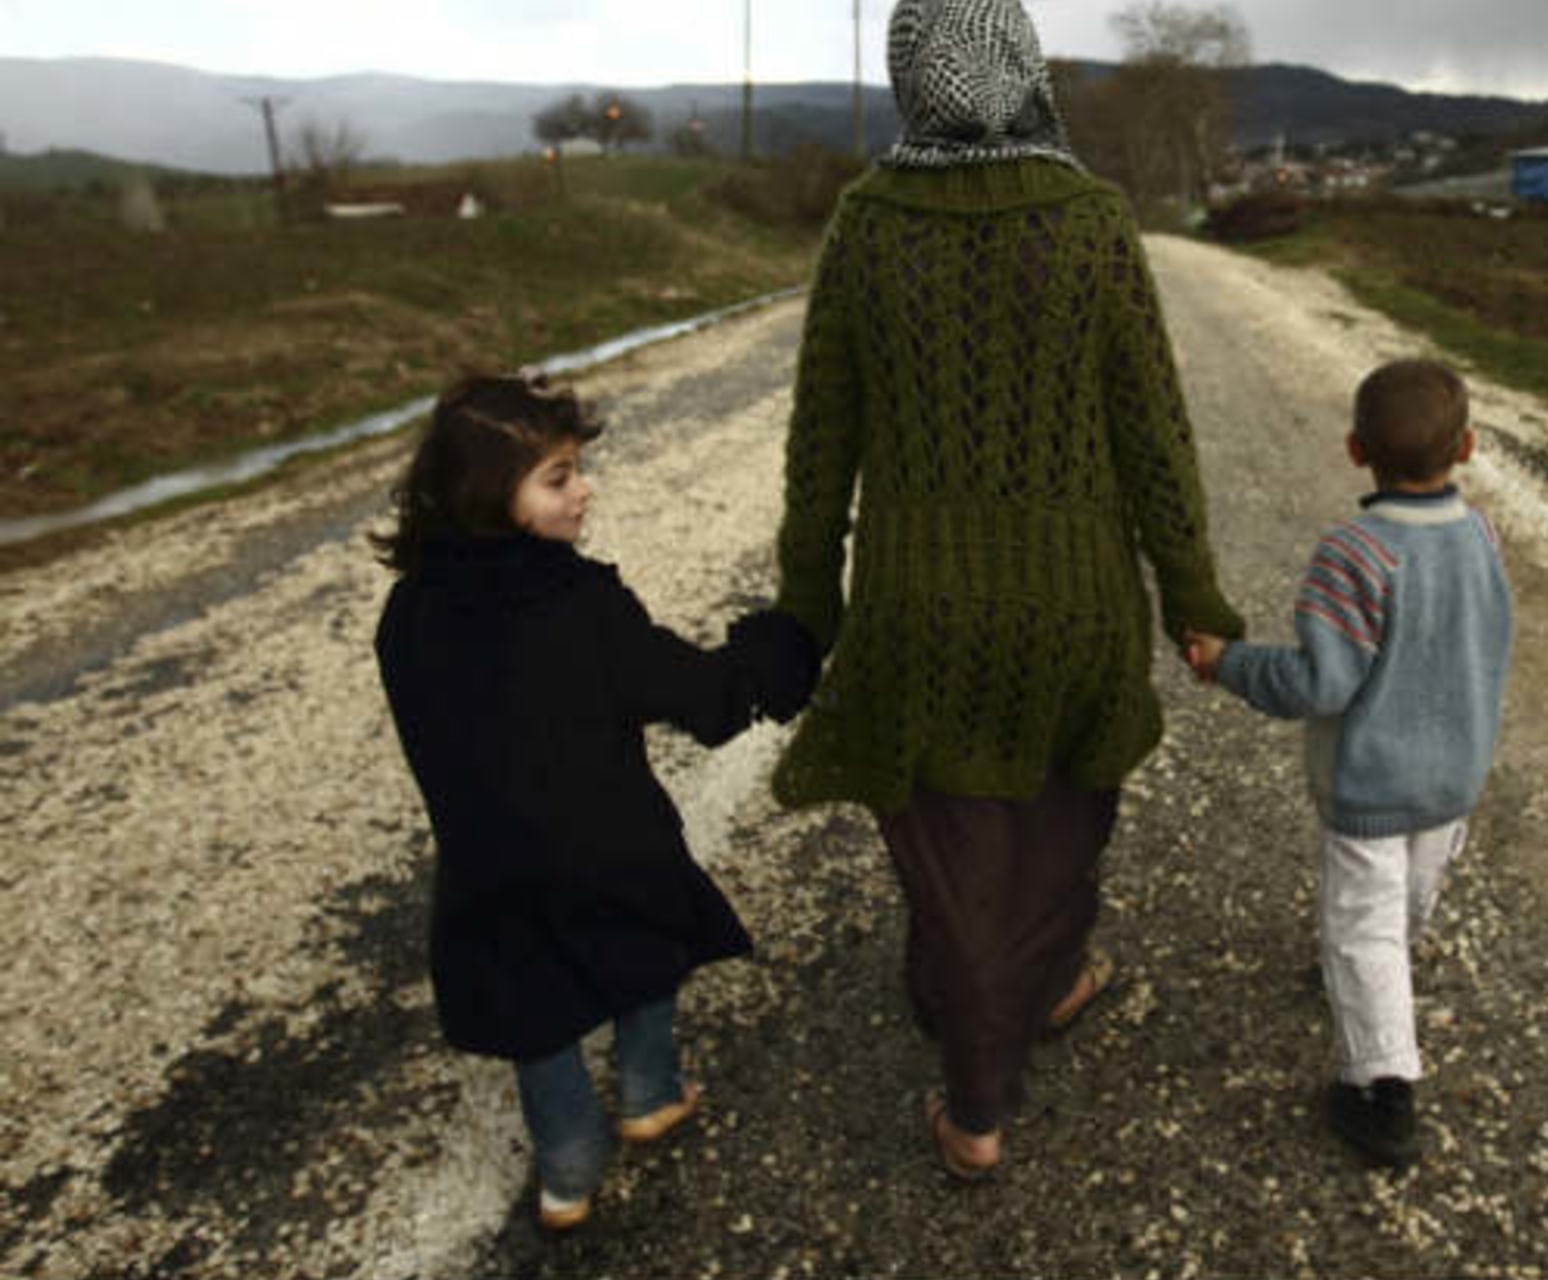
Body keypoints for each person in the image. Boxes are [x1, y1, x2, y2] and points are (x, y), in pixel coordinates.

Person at [771, 0, 1244, 1179]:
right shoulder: (1091, 221)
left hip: (914, 605)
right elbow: (1154, 434)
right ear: (1028, 74)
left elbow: (822, 439)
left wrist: (807, 602)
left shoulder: (867, 224)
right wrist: (1193, 592)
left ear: (909, 87)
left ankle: (981, 1051)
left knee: (947, 847)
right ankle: (990, 1069)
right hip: (1076, 599)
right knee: (1057, 822)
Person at [371, 373, 816, 1229]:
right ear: (488, 497)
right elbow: (700, 696)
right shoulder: (577, 601)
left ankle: (567, 1167)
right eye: (558, 476)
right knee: (641, 949)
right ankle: (649, 1093)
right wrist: (776, 648)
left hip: (487, 859)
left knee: (532, 1001)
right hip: (609, 840)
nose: (585, 490)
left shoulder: (408, 611)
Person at [1183, 359, 1512, 1169]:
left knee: (1362, 926)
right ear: (1466, 446)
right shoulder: (1482, 537)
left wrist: (1228, 663)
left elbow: (1317, 682)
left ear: (1355, 449)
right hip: (1454, 776)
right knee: (1404, 903)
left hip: (1375, 783)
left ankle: (1381, 1087)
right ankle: (1372, 984)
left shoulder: (1357, 553)